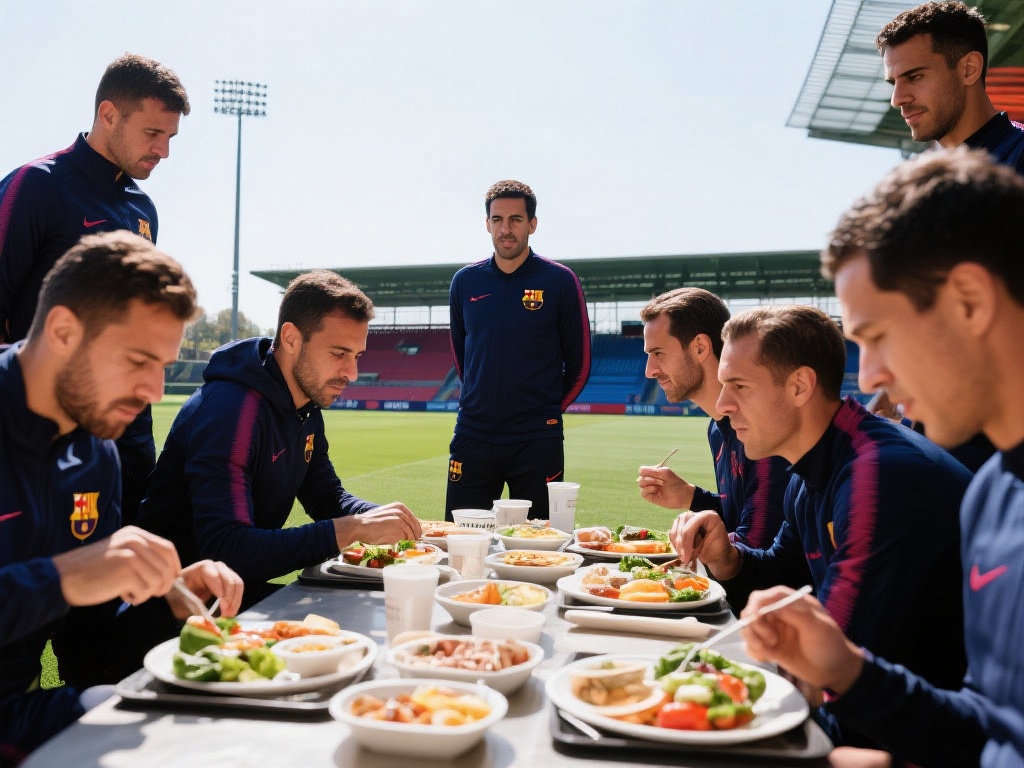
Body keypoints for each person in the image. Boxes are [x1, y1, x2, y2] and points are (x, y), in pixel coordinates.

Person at [742, 147, 1024, 767]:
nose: (870, 376)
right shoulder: (993, 491)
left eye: (876, 336)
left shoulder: (897, 473)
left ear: (970, 300)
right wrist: (848, 669)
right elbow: (990, 731)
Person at [671, 304, 972, 751]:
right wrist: (726, 558)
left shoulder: (875, 478)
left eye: (738, 386)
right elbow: (786, 574)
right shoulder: (814, 466)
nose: (722, 405)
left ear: (799, 386)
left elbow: (835, 671)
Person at [0, 231, 242, 766]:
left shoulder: (96, 452)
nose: (155, 391)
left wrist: (164, 599)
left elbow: (90, 646)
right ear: (64, 330)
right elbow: (66, 582)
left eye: (164, 366)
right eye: (138, 361)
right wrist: (62, 577)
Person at [137, 270, 422, 607]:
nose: (352, 373)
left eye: (356, 356)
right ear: (290, 338)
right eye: (338, 353)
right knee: (357, 612)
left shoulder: (305, 405)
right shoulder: (231, 410)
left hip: (233, 591)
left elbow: (326, 497)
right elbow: (228, 550)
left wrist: (394, 522)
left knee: (379, 602)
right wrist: (352, 530)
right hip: (174, 606)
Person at [0, 52, 191, 525]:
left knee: (127, 573)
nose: (163, 151)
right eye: (152, 133)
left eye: (170, 137)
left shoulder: (143, 209)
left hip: (126, 434)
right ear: (108, 114)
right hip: (43, 437)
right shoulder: (36, 186)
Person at [445, 180, 591, 520]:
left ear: (532, 224)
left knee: (540, 544)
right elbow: (462, 356)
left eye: (515, 219)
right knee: (461, 537)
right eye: (497, 220)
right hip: (473, 435)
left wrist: (546, 413)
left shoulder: (560, 281)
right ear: (487, 224)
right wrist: (480, 402)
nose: (505, 229)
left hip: (536, 440)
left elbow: (580, 364)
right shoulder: (465, 281)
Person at [635, 287, 788, 548]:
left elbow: (756, 546)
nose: (649, 371)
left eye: (658, 353)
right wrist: (692, 496)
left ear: (700, 347)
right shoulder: (716, 428)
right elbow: (740, 517)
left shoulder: (761, 427)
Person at [878, 1, 1024, 170]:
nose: (896, 100)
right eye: (893, 83)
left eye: (914, 77)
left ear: (969, 69)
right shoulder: (925, 183)